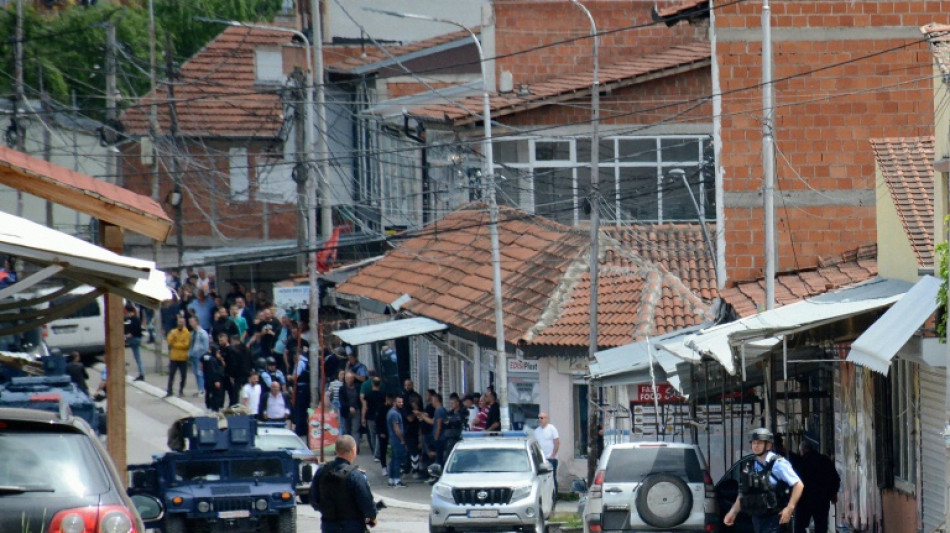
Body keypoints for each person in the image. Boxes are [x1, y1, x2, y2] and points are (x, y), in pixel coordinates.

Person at [724, 428, 804, 533]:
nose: (756, 446)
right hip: (757, 518)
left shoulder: (778, 463)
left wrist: (789, 508)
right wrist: (733, 512)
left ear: (768, 445)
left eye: (760, 443)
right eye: (754, 443)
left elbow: (798, 485)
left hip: (775, 518)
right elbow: (743, 492)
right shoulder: (751, 465)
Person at [310, 435, 379, 533]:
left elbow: (313, 499)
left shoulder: (322, 471)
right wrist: (372, 516)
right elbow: (366, 501)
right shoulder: (355, 475)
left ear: (336, 450)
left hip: (328, 525)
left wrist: (328, 511)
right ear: (353, 451)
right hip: (352, 526)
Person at [792, 440, 840, 533]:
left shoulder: (801, 462)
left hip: (805, 500)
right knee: (821, 526)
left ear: (803, 450)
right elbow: (835, 479)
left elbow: (795, 481)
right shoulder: (825, 460)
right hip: (822, 500)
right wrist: (832, 493)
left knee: (800, 526)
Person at [534, 412, 560, 494]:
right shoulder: (536, 431)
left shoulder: (552, 429)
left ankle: (554, 495)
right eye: (539, 418)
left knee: (552, 477)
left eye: (542, 418)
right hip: (541, 459)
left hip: (551, 458)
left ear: (546, 419)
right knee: (541, 478)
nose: (540, 419)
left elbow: (557, 442)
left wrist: (553, 455)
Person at [362, 377, 387, 462]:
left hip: (370, 416)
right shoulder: (383, 395)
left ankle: (375, 452)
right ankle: (378, 453)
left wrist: (363, 418)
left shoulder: (368, 395)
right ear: (379, 384)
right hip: (380, 416)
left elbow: (365, 407)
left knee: (372, 435)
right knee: (378, 435)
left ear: (372, 384)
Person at [166, 315, 191, 398]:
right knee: (171, 375)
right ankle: (169, 390)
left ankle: (181, 390)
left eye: (182, 322)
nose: (180, 324)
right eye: (179, 322)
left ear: (184, 323)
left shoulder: (187, 333)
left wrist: (175, 344)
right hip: (174, 357)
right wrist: (175, 340)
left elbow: (186, 345)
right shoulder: (173, 332)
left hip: (183, 358)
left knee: (183, 376)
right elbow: (169, 341)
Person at [386, 396, 408, 488]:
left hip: (393, 439)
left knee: (393, 459)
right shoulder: (395, 414)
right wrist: (402, 440)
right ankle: (397, 480)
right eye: (399, 402)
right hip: (397, 440)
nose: (401, 404)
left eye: (402, 402)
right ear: (394, 402)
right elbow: (396, 428)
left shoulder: (391, 412)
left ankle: (391, 479)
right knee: (397, 460)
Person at [187, 315, 208, 397]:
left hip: (200, 356)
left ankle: (202, 390)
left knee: (200, 373)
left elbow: (205, 346)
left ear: (196, 322)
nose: (190, 323)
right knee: (196, 373)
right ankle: (199, 389)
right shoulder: (192, 333)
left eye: (192, 322)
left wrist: (203, 356)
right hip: (193, 355)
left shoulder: (202, 333)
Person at [123, 303, 145, 381]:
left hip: (134, 339)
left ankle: (124, 366)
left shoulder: (131, 320)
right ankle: (142, 373)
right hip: (137, 338)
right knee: (138, 357)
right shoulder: (136, 319)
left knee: (136, 356)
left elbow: (132, 332)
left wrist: (125, 336)